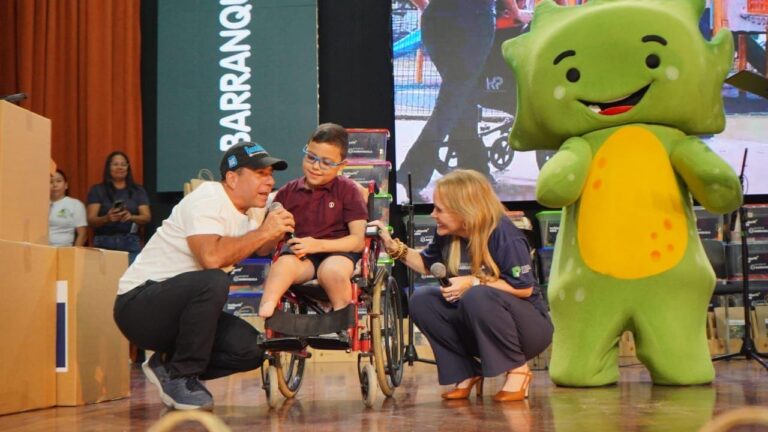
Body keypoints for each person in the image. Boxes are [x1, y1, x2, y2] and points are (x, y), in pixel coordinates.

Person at [114, 142, 294, 410]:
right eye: (260, 174)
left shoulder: (247, 214)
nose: (269, 181)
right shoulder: (208, 198)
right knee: (213, 279)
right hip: (139, 306)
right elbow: (211, 258)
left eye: (270, 174)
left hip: (183, 313)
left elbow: (265, 238)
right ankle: (182, 375)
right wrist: (265, 232)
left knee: (252, 349)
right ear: (232, 178)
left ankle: (167, 364)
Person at [371, 169, 552, 402]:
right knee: (423, 299)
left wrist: (472, 282)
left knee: (477, 295)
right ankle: (466, 372)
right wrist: (392, 246)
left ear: (464, 210)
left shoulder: (504, 234)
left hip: (528, 330)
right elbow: (426, 264)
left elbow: (523, 288)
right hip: (481, 322)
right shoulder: (447, 233)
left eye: (440, 209)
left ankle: (518, 370)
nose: (433, 214)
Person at [398, 0, 531, 197]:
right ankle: (412, 172)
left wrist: (425, 6)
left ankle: (475, 167)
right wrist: (516, 12)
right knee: (453, 101)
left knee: (462, 95)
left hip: (436, 20)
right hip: (473, 21)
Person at [258, 123, 368, 319]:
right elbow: (265, 247)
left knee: (331, 271)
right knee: (282, 265)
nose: (316, 167)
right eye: (311, 158)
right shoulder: (287, 193)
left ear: (342, 166)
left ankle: (341, 316)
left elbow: (357, 241)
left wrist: (316, 245)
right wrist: (273, 230)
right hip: (302, 256)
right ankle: (268, 308)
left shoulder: (349, 190)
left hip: (339, 253)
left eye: (326, 162)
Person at [86, 151, 151, 263]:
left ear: (128, 167)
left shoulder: (137, 190)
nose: (119, 167)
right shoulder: (97, 190)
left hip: (130, 240)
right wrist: (107, 218)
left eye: (123, 164)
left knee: (131, 278)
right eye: (115, 164)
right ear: (108, 167)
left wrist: (131, 217)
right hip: (103, 241)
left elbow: (146, 217)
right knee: (104, 279)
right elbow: (91, 220)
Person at [49, 169, 87, 247]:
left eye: (58, 181)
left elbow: (82, 234)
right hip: (41, 249)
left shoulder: (75, 204)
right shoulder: (39, 205)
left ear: (66, 185)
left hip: (64, 250)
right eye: (51, 181)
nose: (55, 185)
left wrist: (74, 254)